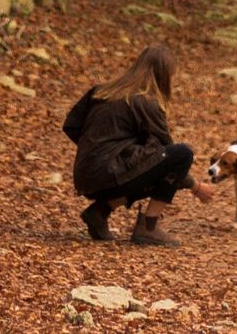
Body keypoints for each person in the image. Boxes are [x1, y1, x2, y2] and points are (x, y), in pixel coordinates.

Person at [62, 45, 214, 247]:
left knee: (145, 164)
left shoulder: (101, 91)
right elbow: (169, 159)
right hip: (109, 175)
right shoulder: (145, 103)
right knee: (182, 153)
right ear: (163, 75)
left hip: (85, 176)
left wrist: (94, 150)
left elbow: (71, 126)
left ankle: (99, 212)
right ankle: (148, 228)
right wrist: (196, 187)